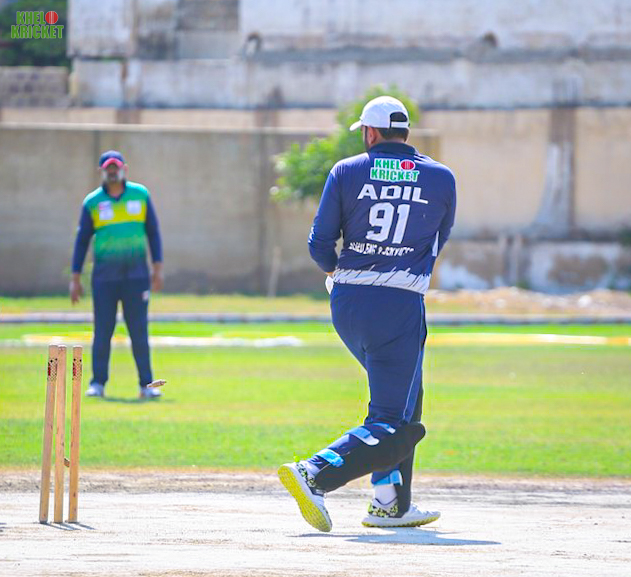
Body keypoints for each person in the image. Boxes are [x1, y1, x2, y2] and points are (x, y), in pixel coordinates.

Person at [278, 96, 456, 531]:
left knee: (407, 403)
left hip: (348, 301)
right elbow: (439, 238)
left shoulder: (346, 170)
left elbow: (320, 244)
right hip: (398, 304)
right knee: (391, 419)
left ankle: (390, 502)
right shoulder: (441, 177)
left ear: (369, 133)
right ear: (405, 132)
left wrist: (339, 272)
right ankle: (315, 472)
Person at [70, 150, 164, 399]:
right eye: (108, 169)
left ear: (124, 169)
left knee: (139, 331)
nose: (112, 172)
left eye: (116, 168)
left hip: (136, 277)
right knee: (103, 331)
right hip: (105, 278)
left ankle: (147, 385)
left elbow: (153, 232)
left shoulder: (140, 195)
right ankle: (98, 383)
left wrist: (157, 268)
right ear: (101, 172)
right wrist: (75, 278)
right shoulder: (92, 201)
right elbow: (82, 241)